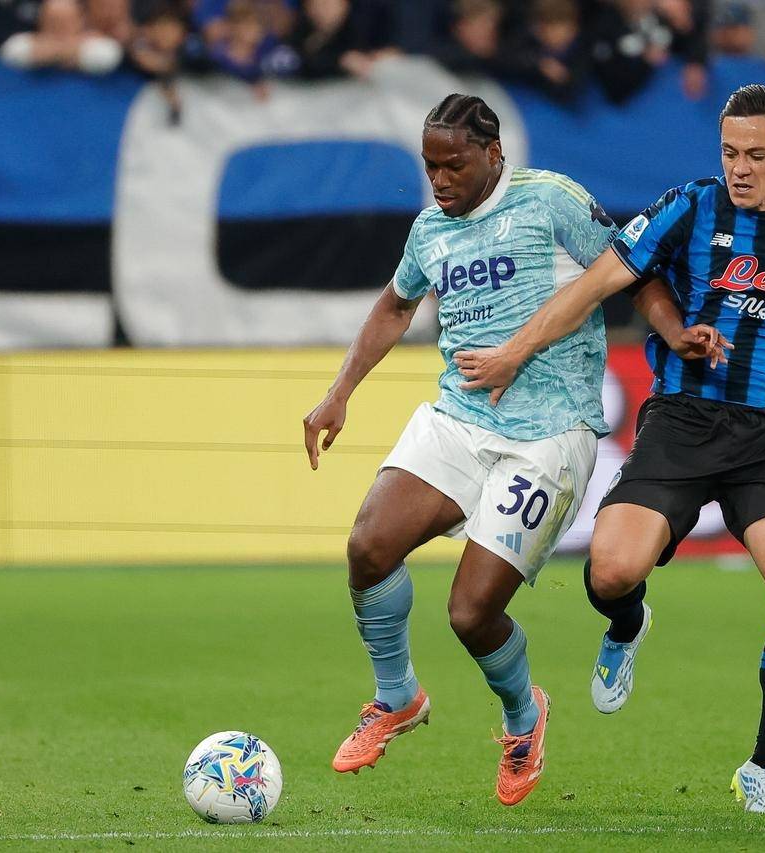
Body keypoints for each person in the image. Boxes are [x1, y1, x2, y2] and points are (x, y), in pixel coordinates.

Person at [453, 83, 765, 814]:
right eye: (729, 152)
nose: (739, 168)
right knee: (612, 570)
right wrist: (515, 352)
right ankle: (628, 623)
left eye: (756, 155)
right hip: (682, 419)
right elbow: (594, 286)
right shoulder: (689, 206)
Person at [301, 93, 724, 807]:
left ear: (493, 154)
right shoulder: (430, 229)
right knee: (369, 545)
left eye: (453, 165)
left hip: (548, 435)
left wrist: (676, 331)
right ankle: (396, 696)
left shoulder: (550, 200)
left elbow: (631, 271)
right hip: (459, 418)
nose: (440, 180)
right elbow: (396, 305)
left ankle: (525, 715)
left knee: (470, 613)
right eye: (430, 166)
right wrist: (339, 391)